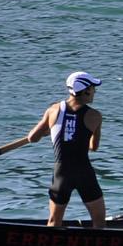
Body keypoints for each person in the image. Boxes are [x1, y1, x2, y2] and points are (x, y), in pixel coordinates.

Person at [26, 71, 105, 228]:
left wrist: (50, 129)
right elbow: (93, 147)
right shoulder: (95, 116)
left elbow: (32, 138)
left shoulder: (53, 110)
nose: (95, 92)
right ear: (85, 90)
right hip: (84, 172)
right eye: (93, 88)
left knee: (54, 222)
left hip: (61, 173)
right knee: (99, 223)